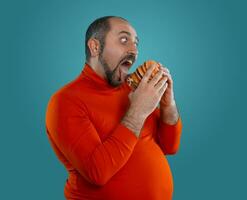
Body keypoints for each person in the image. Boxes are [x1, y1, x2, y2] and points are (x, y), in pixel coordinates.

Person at [45, 16, 182, 200]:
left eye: (136, 43)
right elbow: (97, 173)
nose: (134, 50)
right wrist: (138, 112)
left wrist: (168, 104)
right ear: (95, 47)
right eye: (124, 40)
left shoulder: (133, 88)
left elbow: (169, 146)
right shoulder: (65, 102)